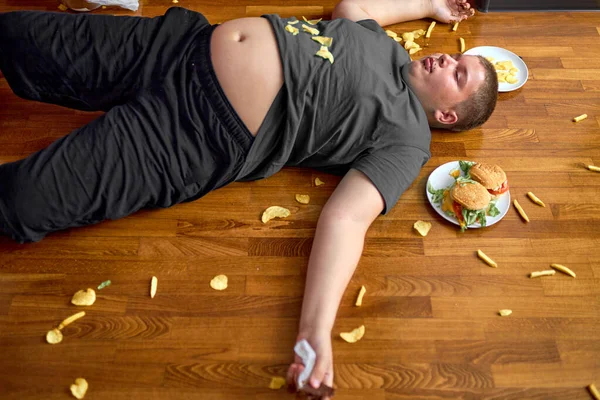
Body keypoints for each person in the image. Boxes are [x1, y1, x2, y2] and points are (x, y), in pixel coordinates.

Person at [0, 0, 496, 396]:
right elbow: (355, 6)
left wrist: (315, 332)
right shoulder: (384, 47)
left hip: (193, 133)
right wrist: (431, 3)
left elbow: (347, 220)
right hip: (177, 44)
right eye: (457, 57)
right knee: (14, 36)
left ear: (448, 116)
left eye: (458, 75)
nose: (447, 59)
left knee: (20, 200)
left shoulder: (408, 139)